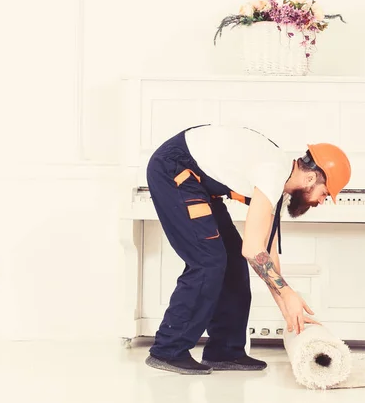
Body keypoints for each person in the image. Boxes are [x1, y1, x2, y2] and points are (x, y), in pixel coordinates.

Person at [144, 124, 351, 375]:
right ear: (310, 178)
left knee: (232, 260)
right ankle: (169, 349)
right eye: (324, 193)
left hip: (200, 185)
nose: (321, 201)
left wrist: (288, 310)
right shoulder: (274, 172)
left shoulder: (280, 181)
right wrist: (288, 294)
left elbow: (266, 252)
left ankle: (225, 350)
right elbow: (253, 249)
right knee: (208, 261)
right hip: (174, 170)